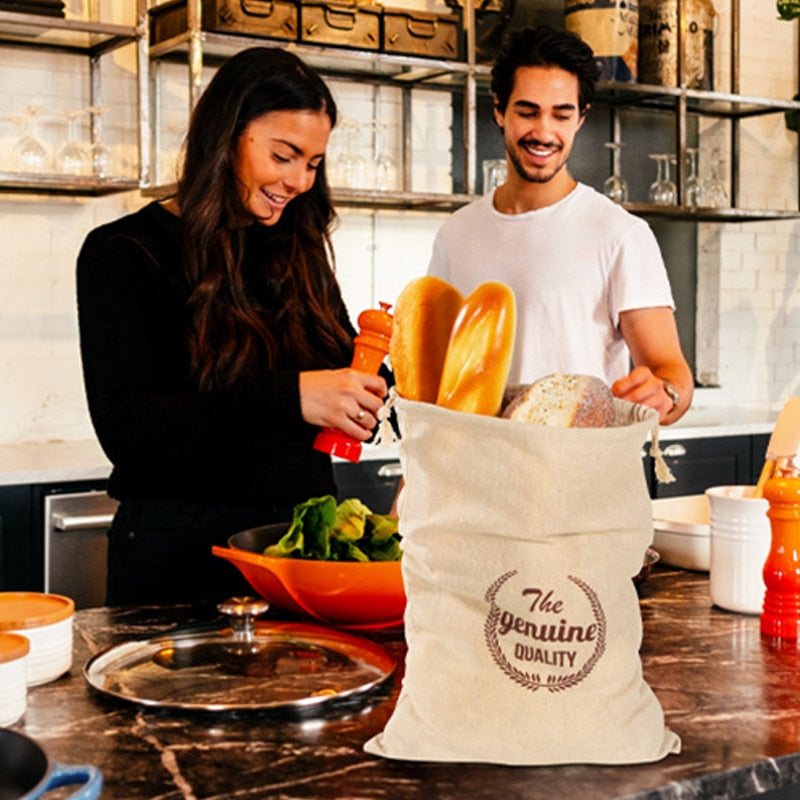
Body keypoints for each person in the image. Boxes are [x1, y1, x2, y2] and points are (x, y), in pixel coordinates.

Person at [76, 47, 387, 606]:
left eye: (313, 163)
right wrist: (291, 396)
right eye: (284, 155)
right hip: (175, 558)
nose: (299, 181)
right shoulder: (121, 253)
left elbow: (337, 371)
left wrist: (367, 388)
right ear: (227, 135)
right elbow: (128, 429)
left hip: (298, 550)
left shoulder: (302, 248)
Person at [428, 25, 693, 425]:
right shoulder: (457, 233)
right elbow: (438, 378)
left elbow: (671, 372)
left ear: (580, 118)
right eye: (528, 111)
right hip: (478, 471)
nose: (544, 132)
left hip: (580, 472)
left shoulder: (621, 234)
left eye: (561, 114)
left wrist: (665, 394)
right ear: (499, 109)